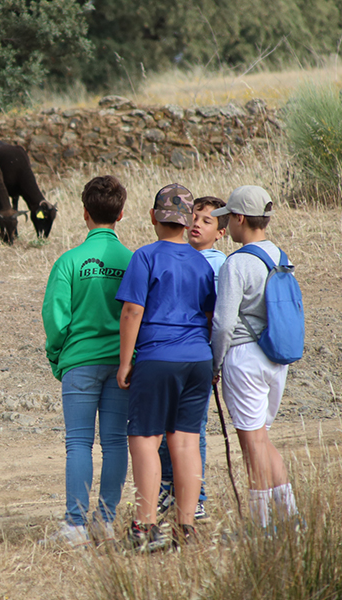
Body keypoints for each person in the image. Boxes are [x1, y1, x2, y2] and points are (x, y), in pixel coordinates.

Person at [115, 184, 216, 551]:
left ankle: (145, 526)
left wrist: (126, 362)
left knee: (145, 439)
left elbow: (132, 311)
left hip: (158, 359)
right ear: (189, 220)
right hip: (198, 359)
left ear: (154, 217)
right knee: (186, 440)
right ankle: (185, 527)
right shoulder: (202, 262)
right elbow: (209, 316)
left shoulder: (145, 257)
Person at [41, 175, 133, 548]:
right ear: (122, 214)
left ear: (84, 213)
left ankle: (75, 526)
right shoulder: (132, 261)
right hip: (122, 363)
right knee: (115, 443)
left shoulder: (69, 261)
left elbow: (55, 316)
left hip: (78, 362)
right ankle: (106, 522)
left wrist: (56, 355)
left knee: (78, 443)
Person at [210, 185, 298, 528]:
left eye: (228, 218)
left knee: (251, 445)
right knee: (262, 438)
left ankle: (262, 528)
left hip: (244, 357)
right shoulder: (281, 256)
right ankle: (289, 517)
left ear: (240, 218)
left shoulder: (237, 263)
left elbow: (223, 324)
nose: (226, 226)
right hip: (276, 356)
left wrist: (214, 363)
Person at [156, 196, 227, 521]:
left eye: (207, 220)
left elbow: (217, 318)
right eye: (194, 217)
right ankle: (171, 490)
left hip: (195, 359)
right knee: (178, 428)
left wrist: (214, 362)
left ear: (221, 232)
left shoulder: (213, 264)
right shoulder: (189, 258)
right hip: (189, 358)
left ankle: (193, 496)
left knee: (190, 430)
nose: (197, 223)